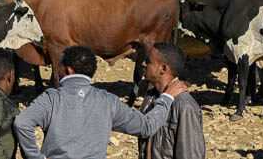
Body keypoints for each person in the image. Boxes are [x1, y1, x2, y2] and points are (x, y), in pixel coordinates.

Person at [13, 45, 179, 159]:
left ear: (68, 70)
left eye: (59, 66)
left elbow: (22, 123)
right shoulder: (107, 101)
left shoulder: (51, 98)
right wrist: (166, 98)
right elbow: (147, 127)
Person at [138, 42, 205, 159]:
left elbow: (190, 155)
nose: (143, 64)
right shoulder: (151, 96)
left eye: (148, 61)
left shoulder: (184, 106)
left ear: (163, 69)